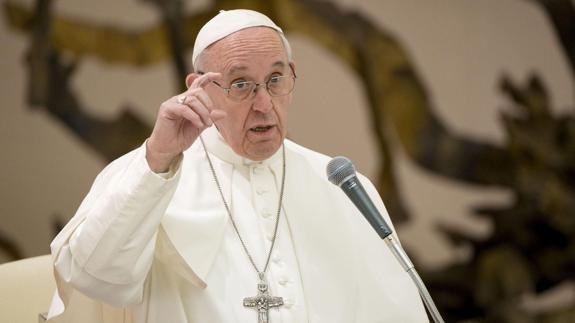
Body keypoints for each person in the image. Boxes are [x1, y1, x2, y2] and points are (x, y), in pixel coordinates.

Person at [47, 9, 428, 323]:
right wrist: (158, 159)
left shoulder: (337, 182)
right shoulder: (146, 172)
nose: (264, 104)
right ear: (199, 87)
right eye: (241, 84)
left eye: (275, 80)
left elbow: (396, 309)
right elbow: (94, 277)